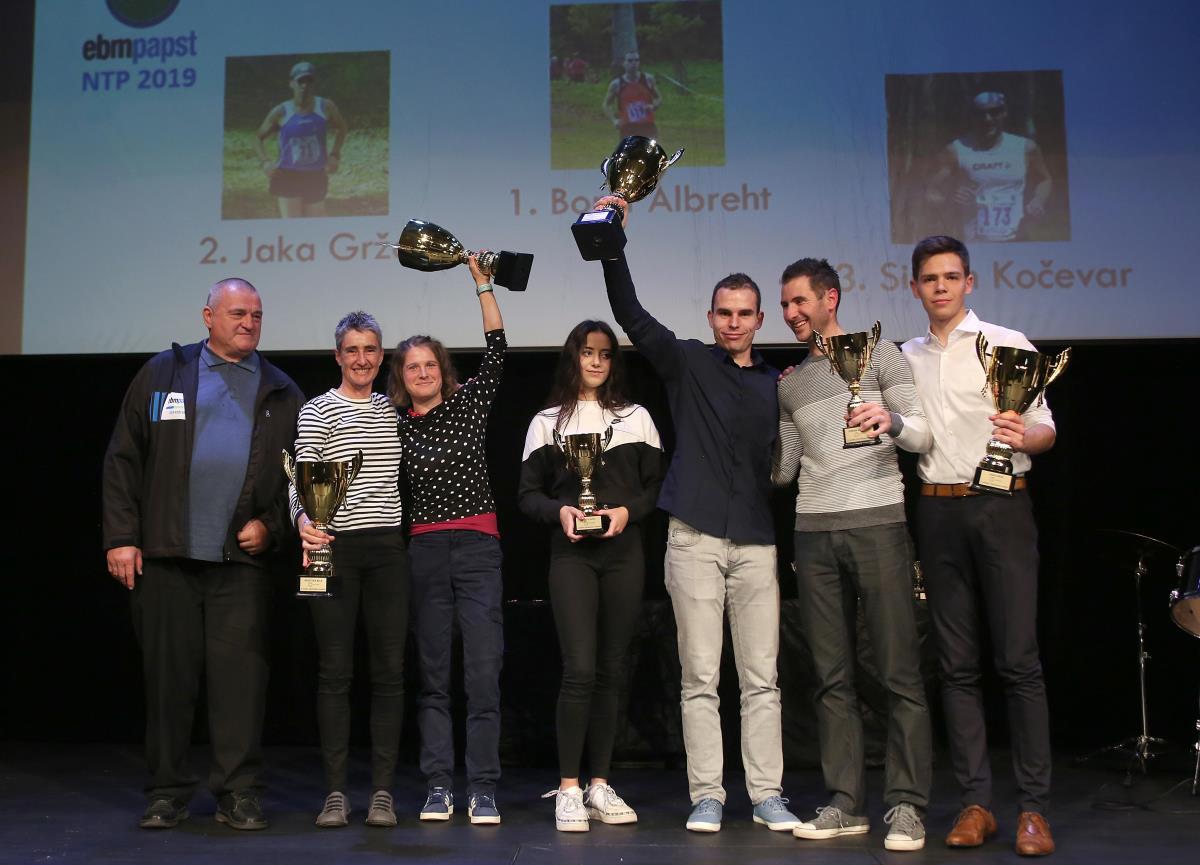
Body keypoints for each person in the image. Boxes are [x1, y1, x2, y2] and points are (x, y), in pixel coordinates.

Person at [589, 195, 799, 834]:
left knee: (761, 679)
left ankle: (766, 795)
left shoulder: (777, 383)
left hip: (757, 542)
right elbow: (629, 313)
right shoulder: (686, 361)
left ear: (760, 319)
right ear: (711, 317)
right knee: (700, 677)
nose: (734, 323)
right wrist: (613, 243)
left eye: (744, 314)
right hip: (694, 538)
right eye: (724, 313)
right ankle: (707, 795)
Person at [102, 278, 304, 831]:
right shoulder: (163, 374)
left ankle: (238, 792)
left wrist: (272, 528)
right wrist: (121, 536)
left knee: (241, 685)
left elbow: (300, 483)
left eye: (256, 315)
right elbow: (123, 458)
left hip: (240, 566)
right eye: (237, 313)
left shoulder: (282, 390)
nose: (248, 323)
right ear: (208, 316)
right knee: (169, 683)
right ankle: (167, 792)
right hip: (166, 557)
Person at [901, 235, 1057, 857]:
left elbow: (1045, 429)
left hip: (1002, 508)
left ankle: (1033, 810)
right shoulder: (905, 357)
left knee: (1018, 661)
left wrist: (1026, 435)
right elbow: (907, 430)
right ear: (915, 287)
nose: (940, 287)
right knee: (956, 665)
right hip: (937, 509)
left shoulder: (1008, 344)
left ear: (969, 282)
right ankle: (976, 804)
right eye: (929, 278)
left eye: (950, 276)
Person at [771, 258, 933, 852]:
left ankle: (907, 805)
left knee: (898, 672)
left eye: (799, 301)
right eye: (784, 305)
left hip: (879, 524)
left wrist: (890, 419)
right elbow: (784, 471)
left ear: (830, 298)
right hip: (813, 533)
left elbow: (922, 433)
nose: (791, 313)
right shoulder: (791, 383)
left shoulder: (881, 355)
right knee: (830, 677)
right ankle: (845, 801)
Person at [518, 320, 666, 832]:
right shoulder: (546, 422)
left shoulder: (637, 418)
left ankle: (599, 785)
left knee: (611, 670)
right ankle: (568, 789)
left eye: (605, 353)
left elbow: (655, 488)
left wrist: (627, 512)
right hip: (572, 557)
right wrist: (559, 512)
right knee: (579, 669)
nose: (596, 361)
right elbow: (527, 495)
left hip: (624, 555)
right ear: (573, 358)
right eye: (587, 352)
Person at [387, 255, 506, 825]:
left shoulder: (468, 405)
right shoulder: (394, 424)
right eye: (412, 366)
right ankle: (439, 785)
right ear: (401, 377)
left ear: (443, 369)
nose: (422, 372)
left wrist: (482, 286)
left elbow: (498, 350)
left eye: (429, 363)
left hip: (478, 549)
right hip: (426, 553)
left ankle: (482, 787)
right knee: (433, 677)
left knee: (483, 673)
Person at [289, 311, 409, 829]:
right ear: (338, 356)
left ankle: (382, 792)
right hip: (333, 549)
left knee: (389, 673)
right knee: (335, 673)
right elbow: (299, 476)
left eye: (370, 350)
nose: (362, 359)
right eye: (352, 350)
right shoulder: (317, 410)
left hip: (387, 552)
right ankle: (335, 793)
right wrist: (302, 521)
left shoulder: (393, 409)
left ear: (381, 356)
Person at [925, 91, 1052, 242]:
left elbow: (1044, 180)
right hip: (973, 241)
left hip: (1017, 238)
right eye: (980, 113)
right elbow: (930, 191)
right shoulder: (956, 150)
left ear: (1004, 113)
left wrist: (1038, 200)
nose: (987, 119)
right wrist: (951, 199)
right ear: (972, 116)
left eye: (994, 112)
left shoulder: (1025, 147)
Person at [254, 60, 348, 218]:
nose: (305, 85)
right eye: (300, 81)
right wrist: (265, 162)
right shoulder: (282, 112)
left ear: (314, 83)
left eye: (309, 81)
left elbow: (342, 128)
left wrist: (335, 155)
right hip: (287, 176)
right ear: (291, 83)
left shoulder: (325, 107)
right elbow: (257, 138)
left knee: (315, 224)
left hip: (315, 175)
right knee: (292, 225)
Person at [602, 51, 662, 139]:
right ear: (623, 63)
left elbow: (658, 98)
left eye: (636, 60)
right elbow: (606, 104)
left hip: (647, 126)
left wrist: (653, 106)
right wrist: (614, 120)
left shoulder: (648, 79)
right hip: (628, 127)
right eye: (630, 60)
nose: (634, 63)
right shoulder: (617, 84)